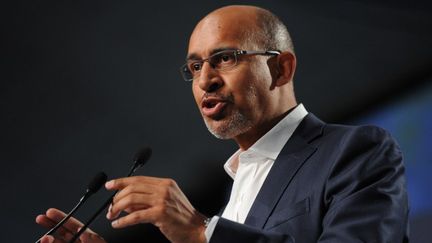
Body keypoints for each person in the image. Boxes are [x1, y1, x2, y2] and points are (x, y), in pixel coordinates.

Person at [35, 5, 409, 243]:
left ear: (280, 68)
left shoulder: (354, 150)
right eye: (195, 66)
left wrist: (201, 232)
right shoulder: (234, 194)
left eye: (225, 58)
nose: (204, 80)